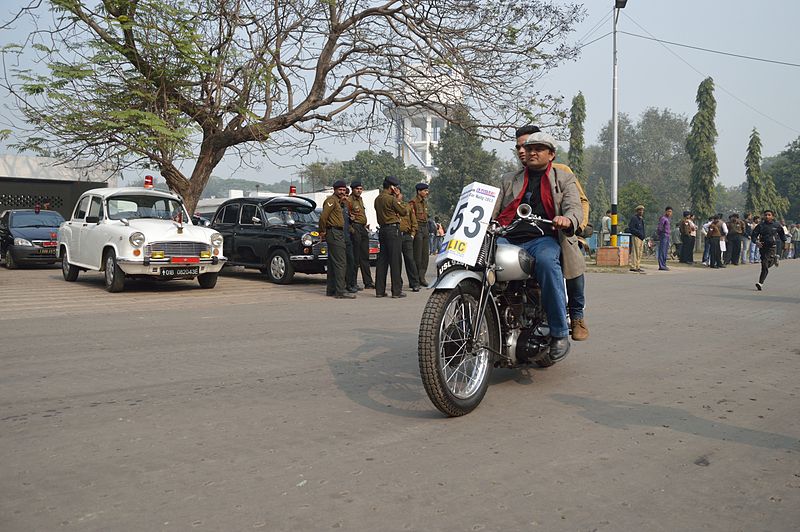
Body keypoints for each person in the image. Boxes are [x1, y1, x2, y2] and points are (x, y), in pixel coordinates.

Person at [491, 131, 582, 361]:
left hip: (543, 238)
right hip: (508, 235)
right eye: (528, 149)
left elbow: (574, 207)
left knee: (547, 263)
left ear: (551, 154)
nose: (531, 153)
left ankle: (560, 332)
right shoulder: (509, 178)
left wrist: (568, 220)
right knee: (483, 258)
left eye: (538, 149)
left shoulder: (564, 178)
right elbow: (493, 208)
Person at [510, 125, 591, 341]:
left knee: (570, 261)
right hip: (513, 236)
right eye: (521, 147)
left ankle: (575, 315)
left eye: (533, 147)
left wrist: (573, 223)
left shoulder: (562, 174)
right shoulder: (511, 178)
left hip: (557, 231)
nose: (524, 152)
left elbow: (578, 203)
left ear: (550, 153)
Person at [319, 180, 355, 299]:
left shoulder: (340, 203)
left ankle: (332, 289)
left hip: (337, 232)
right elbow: (323, 217)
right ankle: (340, 290)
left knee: (333, 262)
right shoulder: (331, 201)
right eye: (340, 190)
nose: (342, 192)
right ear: (334, 190)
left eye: (344, 190)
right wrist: (322, 231)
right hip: (334, 232)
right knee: (341, 262)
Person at [373, 175, 407, 298]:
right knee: (395, 260)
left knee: (382, 260)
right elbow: (403, 211)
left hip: (382, 229)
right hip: (393, 230)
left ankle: (379, 290)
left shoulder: (377, 199)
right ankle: (396, 291)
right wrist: (398, 198)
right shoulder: (391, 199)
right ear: (391, 187)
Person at [347, 180, 375, 289]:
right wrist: (351, 229)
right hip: (355, 228)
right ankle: (353, 282)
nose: (359, 191)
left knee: (365, 257)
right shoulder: (349, 200)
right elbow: (346, 217)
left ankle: (368, 282)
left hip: (363, 228)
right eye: (357, 189)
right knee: (355, 258)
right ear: (352, 189)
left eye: (360, 189)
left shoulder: (360, 200)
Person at [752, 209, 787, 290]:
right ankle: (774, 259)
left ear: (772, 216)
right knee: (765, 263)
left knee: (764, 264)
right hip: (762, 246)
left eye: (769, 215)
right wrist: (756, 242)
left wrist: (784, 244)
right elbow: (753, 235)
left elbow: (782, 235)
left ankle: (760, 283)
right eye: (766, 215)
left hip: (772, 247)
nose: (767, 216)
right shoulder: (760, 226)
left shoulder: (777, 225)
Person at [396, 186, 421, 292]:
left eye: (398, 194)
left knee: (410, 260)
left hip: (406, 236)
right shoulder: (390, 206)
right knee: (397, 261)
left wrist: (412, 234)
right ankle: (398, 283)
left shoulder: (407, 206)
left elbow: (414, 222)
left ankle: (414, 283)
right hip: (395, 235)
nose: (397, 196)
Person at [409, 183, 431, 286]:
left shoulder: (424, 203)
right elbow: (411, 218)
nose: (427, 193)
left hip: (425, 228)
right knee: (417, 256)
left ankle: (422, 277)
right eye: (425, 191)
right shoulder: (413, 203)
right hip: (418, 228)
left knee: (425, 256)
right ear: (419, 191)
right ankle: (416, 278)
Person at [627, 205, 646, 273]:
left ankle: (638, 266)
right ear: (637, 211)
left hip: (641, 238)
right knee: (635, 252)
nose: (641, 211)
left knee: (640, 252)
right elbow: (631, 228)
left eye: (642, 210)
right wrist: (638, 233)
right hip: (636, 237)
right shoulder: (634, 218)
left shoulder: (641, 219)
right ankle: (633, 266)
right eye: (639, 210)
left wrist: (643, 236)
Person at [656, 206, 673, 271]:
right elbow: (660, 227)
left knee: (665, 251)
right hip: (663, 235)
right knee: (662, 251)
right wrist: (660, 234)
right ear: (666, 211)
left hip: (667, 236)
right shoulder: (663, 218)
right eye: (668, 211)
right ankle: (661, 265)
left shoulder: (668, 219)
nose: (670, 213)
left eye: (671, 212)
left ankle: (664, 264)